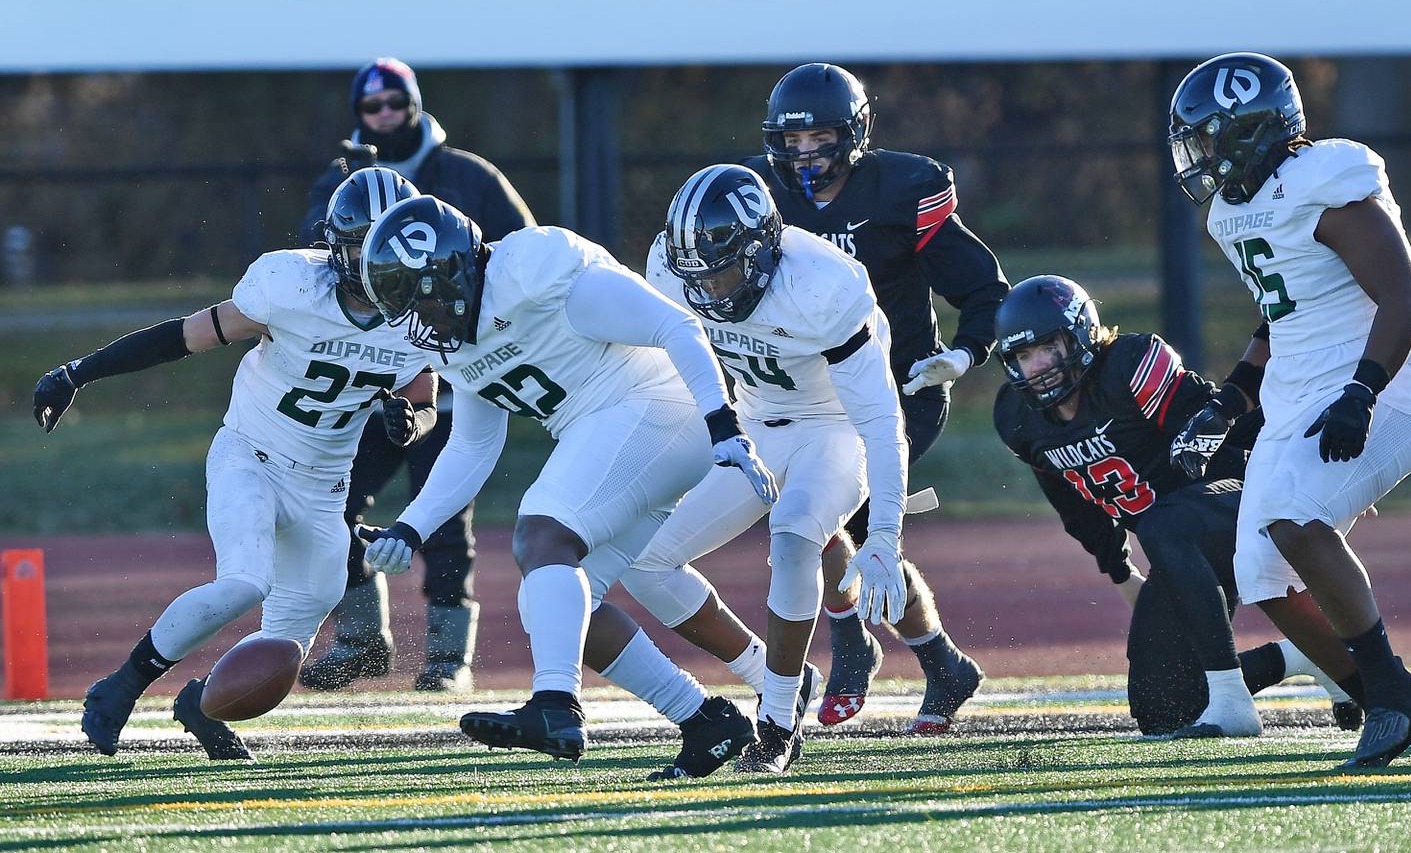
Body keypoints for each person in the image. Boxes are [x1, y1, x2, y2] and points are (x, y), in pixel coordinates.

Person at [355, 196, 780, 775]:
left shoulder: (534, 271)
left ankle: (555, 704)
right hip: (621, 433)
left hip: (658, 406)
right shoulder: (453, 335)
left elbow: (674, 324)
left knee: (542, 533)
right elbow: (475, 445)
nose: (417, 321)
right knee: (554, 602)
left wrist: (721, 420)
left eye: (419, 298)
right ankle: (706, 721)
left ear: (452, 271)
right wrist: (411, 527)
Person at [35, 167, 436, 759]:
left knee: (282, 651)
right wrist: (79, 372)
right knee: (245, 580)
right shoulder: (290, 286)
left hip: (325, 488)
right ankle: (122, 685)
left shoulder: (420, 317)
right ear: (339, 247)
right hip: (251, 454)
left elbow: (424, 398)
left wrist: (410, 419)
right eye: (366, 246)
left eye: (392, 248)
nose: (380, 263)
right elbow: (185, 335)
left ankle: (199, 704)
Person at [1167, 52, 1411, 767]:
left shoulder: (1326, 181)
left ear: (1251, 132)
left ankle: (1386, 702)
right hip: (1299, 394)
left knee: (1295, 519)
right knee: (1260, 570)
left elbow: (1404, 299)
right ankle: (1389, 695)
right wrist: (1230, 399)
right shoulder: (1233, 211)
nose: (1198, 155)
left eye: (1209, 136)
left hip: (1386, 385)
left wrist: (1362, 391)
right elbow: (1283, 315)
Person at [623, 164, 913, 773]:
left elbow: (881, 422)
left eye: (720, 270)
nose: (707, 288)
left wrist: (885, 532)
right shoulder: (673, 269)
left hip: (834, 429)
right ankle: (777, 676)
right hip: (751, 426)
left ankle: (778, 724)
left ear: (759, 252)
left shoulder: (823, 286)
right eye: (694, 275)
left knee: (795, 532)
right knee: (647, 567)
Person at [740, 62, 1003, 732]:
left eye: (817, 139)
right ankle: (940, 661)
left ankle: (853, 642)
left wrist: (965, 353)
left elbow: (983, 289)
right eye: (790, 141)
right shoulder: (761, 197)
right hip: (808, 393)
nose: (802, 155)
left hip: (899, 387)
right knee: (842, 529)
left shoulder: (899, 190)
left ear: (852, 135)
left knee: (824, 516)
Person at [992, 275, 1361, 738]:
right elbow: (1076, 507)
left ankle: (1230, 701)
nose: (1038, 366)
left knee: (1163, 523)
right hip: (1175, 540)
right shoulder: (1021, 420)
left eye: (1048, 348)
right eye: (1024, 357)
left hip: (1241, 501)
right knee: (1162, 707)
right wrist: (1120, 572)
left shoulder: (1129, 367)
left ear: (1080, 335)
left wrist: (1297, 489)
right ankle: (1307, 654)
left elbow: (1223, 433)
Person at [298, 57, 535, 694]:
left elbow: (520, 252)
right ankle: (361, 638)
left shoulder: (464, 175)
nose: (383, 117)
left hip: (450, 372)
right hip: (366, 378)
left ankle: (446, 660)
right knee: (332, 506)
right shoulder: (339, 182)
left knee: (445, 525)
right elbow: (316, 267)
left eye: (394, 104)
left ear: (415, 103)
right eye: (371, 108)